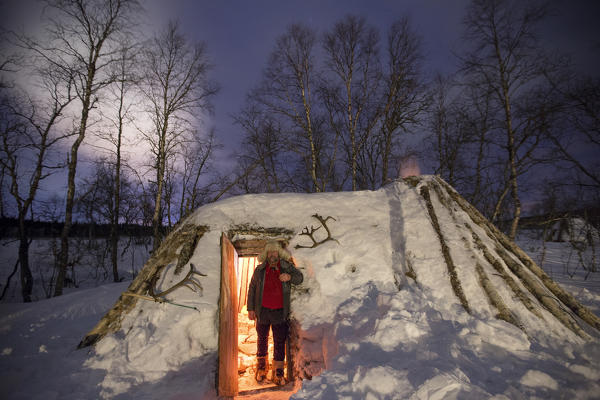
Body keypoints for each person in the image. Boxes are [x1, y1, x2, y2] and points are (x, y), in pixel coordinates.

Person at [247, 240, 303, 385]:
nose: (272, 255)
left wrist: (289, 277)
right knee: (262, 339)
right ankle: (261, 368)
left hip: (279, 312)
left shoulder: (286, 267)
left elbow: (299, 278)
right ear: (266, 254)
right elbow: (252, 289)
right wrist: (251, 308)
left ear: (279, 253)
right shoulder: (259, 270)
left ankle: (278, 372)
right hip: (263, 311)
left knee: (279, 341)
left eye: (275, 252)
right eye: (270, 252)